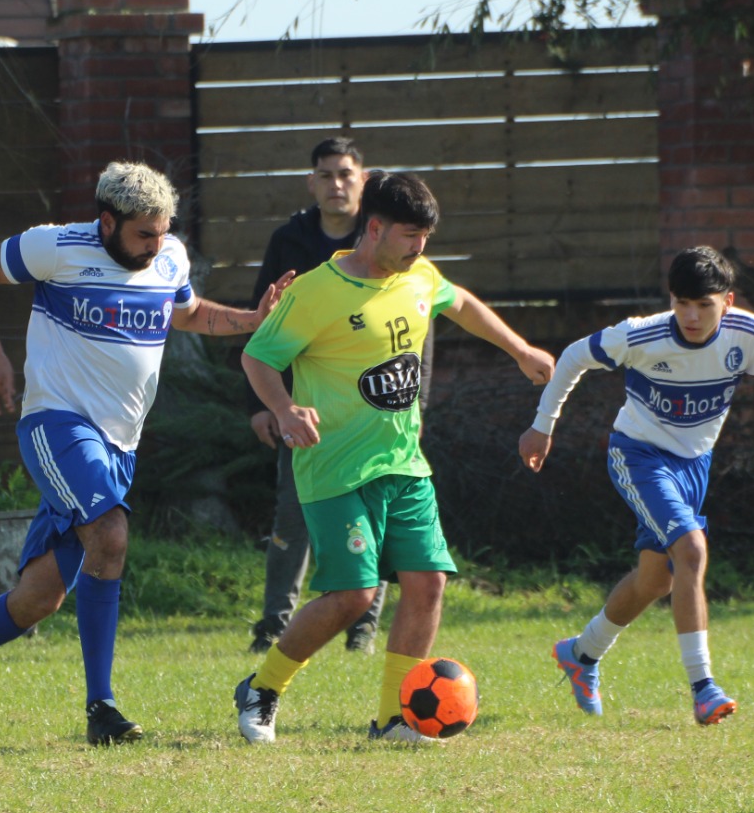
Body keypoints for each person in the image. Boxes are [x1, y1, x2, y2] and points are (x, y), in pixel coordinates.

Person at [0, 161, 287, 746]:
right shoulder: (54, 246)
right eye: (143, 236)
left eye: (162, 234)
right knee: (110, 533)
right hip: (57, 425)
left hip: (119, 445)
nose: (156, 247)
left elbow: (187, 312)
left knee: (38, 600)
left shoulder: (169, 256)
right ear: (107, 222)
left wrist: (251, 319)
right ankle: (101, 708)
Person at [233, 170, 554, 744]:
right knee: (353, 596)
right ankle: (262, 687)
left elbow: (461, 305)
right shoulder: (315, 291)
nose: (419, 248)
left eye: (425, 237)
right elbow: (257, 358)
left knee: (428, 583)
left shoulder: (420, 275)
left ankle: (393, 718)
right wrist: (283, 410)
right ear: (374, 228)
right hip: (334, 468)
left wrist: (520, 349)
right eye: (409, 236)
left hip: (404, 464)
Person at [518, 246, 754, 724]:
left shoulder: (751, 336)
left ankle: (581, 654)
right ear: (672, 299)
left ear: (728, 300)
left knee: (656, 579)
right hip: (637, 455)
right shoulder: (642, 334)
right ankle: (704, 687)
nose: (691, 316)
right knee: (692, 551)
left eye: (704, 305)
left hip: (694, 465)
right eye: (683, 303)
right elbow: (576, 356)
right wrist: (543, 424)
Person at [246, 137, 427, 656]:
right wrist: (267, 405)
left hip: (381, 417)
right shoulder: (290, 241)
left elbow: (415, 333)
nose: (336, 184)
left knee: (382, 519)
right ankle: (273, 625)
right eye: (325, 175)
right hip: (307, 415)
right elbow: (264, 329)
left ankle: (364, 629)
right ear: (312, 183)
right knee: (291, 517)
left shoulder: (394, 241)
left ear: (363, 180)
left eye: (346, 174)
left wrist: (416, 400)